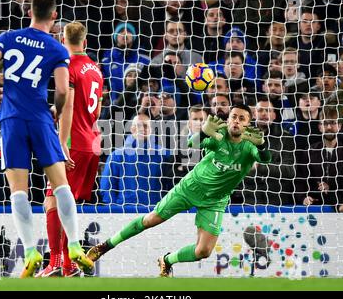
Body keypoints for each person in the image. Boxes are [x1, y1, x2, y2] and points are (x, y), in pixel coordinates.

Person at [0, 0, 93, 278]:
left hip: (11, 119)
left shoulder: (9, 37)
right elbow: (64, 90)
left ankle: (30, 251)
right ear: (54, 17)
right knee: (60, 183)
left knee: (19, 189)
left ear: (29, 11)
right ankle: (76, 246)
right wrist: (56, 108)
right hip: (41, 119)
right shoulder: (56, 48)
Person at [87, 104, 270, 277]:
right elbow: (192, 144)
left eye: (242, 118)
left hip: (216, 200)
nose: (237, 121)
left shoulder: (250, 146)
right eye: (233, 117)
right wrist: (204, 131)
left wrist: (262, 145)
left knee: (203, 251)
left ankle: (167, 260)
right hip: (190, 188)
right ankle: (105, 246)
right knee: (150, 220)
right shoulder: (219, 135)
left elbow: (265, 158)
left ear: (248, 124)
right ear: (228, 120)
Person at [36, 21, 104, 278]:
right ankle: (67, 265)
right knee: (67, 202)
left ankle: (56, 262)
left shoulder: (68, 67)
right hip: (92, 141)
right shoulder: (95, 69)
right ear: (84, 42)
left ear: (63, 41)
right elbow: (94, 109)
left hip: (73, 143)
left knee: (52, 199)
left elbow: (70, 107)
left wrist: (62, 142)